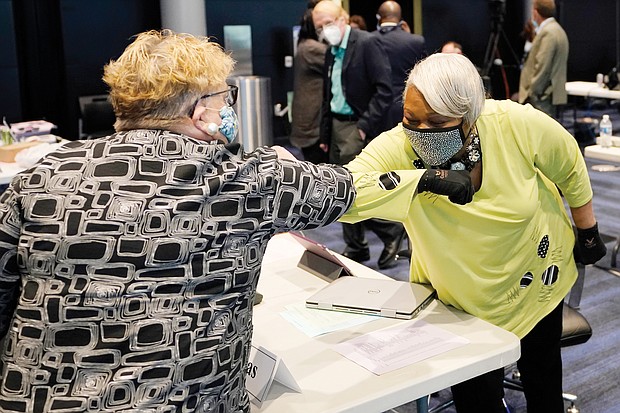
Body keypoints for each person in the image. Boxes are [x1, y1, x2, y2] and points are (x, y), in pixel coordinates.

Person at [0, 30, 356, 413]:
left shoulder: (44, 173)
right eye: (224, 97)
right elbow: (346, 188)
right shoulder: (246, 180)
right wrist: (285, 165)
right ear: (200, 112)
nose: (226, 108)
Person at [340, 53, 607, 412]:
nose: (421, 133)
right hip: (461, 304)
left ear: (468, 116)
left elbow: (569, 164)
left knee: (543, 386)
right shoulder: (399, 146)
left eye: (436, 122)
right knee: (477, 403)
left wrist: (587, 230)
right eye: (411, 119)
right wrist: (423, 179)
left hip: (535, 283)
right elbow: (347, 194)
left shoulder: (514, 123)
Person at [312, 0, 402, 269]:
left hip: (357, 125)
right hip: (337, 126)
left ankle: (390, 230)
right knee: (338, 185)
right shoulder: (331, 50)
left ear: (342, 19)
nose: (324, 30)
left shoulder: (366, 42)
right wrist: (325, 134)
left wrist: (363, 126)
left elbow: (385, 89)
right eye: (319, 26)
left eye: (328, 23)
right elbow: (330, 94)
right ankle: (357, 245)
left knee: (351, 188)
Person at [375, 0, 427, 129]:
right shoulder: (416, 41)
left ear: (378, 17)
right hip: (406, 107)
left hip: (376, 110)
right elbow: (424, 74)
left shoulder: (368, 40)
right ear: (400, 17)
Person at [290, 2, 329, 163]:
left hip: (306, 121)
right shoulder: (311, 48)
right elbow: (341, 58)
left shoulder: (304, 45)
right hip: (312, 124)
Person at [518, 0, 569, 119]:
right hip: (548, 94)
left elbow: (542, 66)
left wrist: (532, 93)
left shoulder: (548, 33)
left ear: (535, 12)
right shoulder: (557, 30)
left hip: (542, 98)